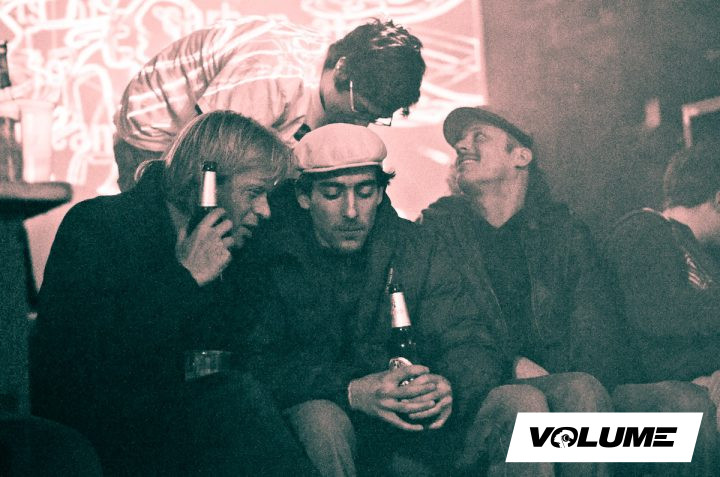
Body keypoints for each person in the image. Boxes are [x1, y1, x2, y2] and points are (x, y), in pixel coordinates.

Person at [29, 110, 318, 476]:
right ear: (205, 183)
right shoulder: (98, 226)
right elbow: (78, 364)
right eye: (254, 192)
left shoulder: (241, 250)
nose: (264, 210)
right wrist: (184, 278)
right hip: (108, 429)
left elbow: (255, 350)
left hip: (194, 428)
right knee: (234, 398)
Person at [237, 123, 506, 476]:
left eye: (365, 192)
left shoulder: (419, 248)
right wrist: (350, 391)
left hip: (417, 426)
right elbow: (254, 363)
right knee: (321, 421)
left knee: (522, 402)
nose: (351, 211)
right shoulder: (270, 256)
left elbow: (468, 338)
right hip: (331, 420)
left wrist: (449, 386)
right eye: (332, 194)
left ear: (380, 194)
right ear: (304, 197)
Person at [418, 106, 626, 476]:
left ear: (521, 156)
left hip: (566, 392)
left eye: (478, 136)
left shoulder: (564, 234)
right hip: (471, 407)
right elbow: (442, 335)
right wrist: (510, 364)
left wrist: (562, 382)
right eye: (459, 141)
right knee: (540, 401)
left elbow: (597, 332)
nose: (461, 146)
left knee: (678, 405)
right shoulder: (438, 233)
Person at [113, 16, 426, 191]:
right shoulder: (271, 73)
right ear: (342, 69)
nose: (361, 123)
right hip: (155, 138)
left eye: (375, 118)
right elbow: (210, 154)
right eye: (361, 110)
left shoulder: (332, 84)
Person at [605, 139, 720, 476]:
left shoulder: (700, 250)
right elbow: (658, 317)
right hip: (649, 385)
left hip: (695, 377)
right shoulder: (643, 230)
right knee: (694, 407)